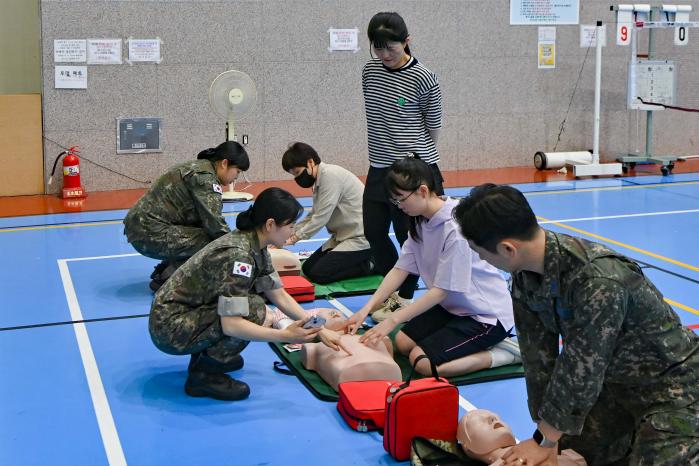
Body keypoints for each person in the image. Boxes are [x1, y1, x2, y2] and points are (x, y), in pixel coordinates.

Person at [453, 184, 699, 465]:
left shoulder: (598, 280)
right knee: (571, 453)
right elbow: (538, 361)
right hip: (614, 386)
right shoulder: (525, 276)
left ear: (508, 248)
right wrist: (544, 438)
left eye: (480, 252)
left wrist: (544, 440)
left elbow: (582, 367)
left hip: (674, 388)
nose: (482, 259)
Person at [149, 188, 349, 401]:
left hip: (181, 313)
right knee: (253, 310)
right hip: (169, 326)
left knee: (252, 304)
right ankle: (204, 376)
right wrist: (285, 336)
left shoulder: (255, 243)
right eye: (290, 226)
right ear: (270, 224)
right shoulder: (239, 256)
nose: (293, 232)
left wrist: (318, 328)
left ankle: (207, 357)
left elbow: (277, 294)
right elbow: (232, 324)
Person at [344, 157, 517, 378]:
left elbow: (441, 290)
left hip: (485, 315)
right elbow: (400, 269)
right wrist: (365, 310)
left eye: (400, 199)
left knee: (422, 363)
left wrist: (393, 320)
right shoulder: (420, 220)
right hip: (453, 308)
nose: (399, 206)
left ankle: (503, 355)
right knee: (402, 342)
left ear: (423, 191)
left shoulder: (455, 228)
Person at [361, 12, 445, 316]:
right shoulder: (370, 72)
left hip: (412, 169)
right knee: (373, 231)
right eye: (377, 48)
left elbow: (433, 125)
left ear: (407, 42)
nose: (384, 55)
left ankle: (405, 297)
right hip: (379, 166)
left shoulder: (424, 77)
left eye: (391, 48)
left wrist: (418, 157)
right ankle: (391, 287)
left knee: (408, 237)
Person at [124, 141, 249, 291]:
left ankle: (166, 269)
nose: (237, 177)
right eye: (238, 171)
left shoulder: (199, 167)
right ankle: (169, 277)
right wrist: (242, 248)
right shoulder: (206, 179)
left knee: (200, 229)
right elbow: (216, 226)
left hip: (143, 229)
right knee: (213, 241)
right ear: (224, 163)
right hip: (148, 233)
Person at [281, 142, 373, 283]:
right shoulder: (318, 180)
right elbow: (314, 214)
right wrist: (289, 232)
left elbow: (321, 218)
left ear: (310, 162)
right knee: (308, 269)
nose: (297, 179)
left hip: (360, 238)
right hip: (342, 236)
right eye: (294, 175)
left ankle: (371, 264)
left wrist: (294, 239)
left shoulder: (330, 176)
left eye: (298, 173)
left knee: (319, 274)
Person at [457, 409, 586, 466]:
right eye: (478, 421)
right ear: (467, 447)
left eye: (497, 417)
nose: (493, 418)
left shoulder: (562, 454)